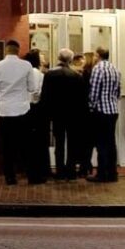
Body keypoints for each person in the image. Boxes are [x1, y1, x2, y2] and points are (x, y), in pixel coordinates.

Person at [0, 40, 37, 185]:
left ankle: (10, 177)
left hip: (5, 110)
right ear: (18, 50)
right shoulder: (26, 65)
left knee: (7, 146)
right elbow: (32, 88)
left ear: (6, 50)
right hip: (22, 109)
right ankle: (31, 176)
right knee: (26, 145)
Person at [41, 48, 87, 180]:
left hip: (57, 113)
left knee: (59, 142)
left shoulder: (50, 75)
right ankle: (71, 169)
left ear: (59, 58)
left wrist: (47, 113)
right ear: (71, 60)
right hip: (73, 114)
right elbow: (82, 98)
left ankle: (60, 169)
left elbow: (46, 96)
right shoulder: (76, 76)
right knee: (72, 142)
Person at [87, 46, 121, 183]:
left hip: (101, 111)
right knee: (111, 143)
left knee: (101, 144)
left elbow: (94, 93)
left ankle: (101, 174)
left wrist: (90, 107)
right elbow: (119, 92)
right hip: (113, 110)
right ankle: (112, 173)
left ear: (98, 55)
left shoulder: (98, 69)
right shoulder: (115, 69)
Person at [22, 48, 49, 184]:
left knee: (31, 142)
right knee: (37, 143)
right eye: (41, 56)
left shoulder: (29, 72)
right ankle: (36, 173)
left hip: (28, 109)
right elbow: (36, 93)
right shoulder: (37, 73)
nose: (44, 58)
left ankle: (33, 172)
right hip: (35, 109)